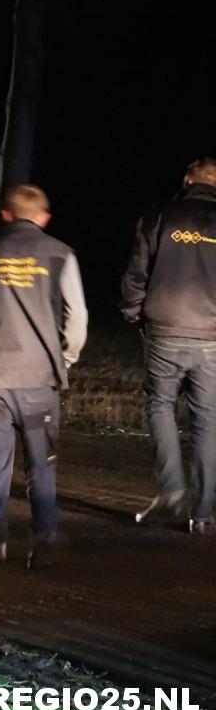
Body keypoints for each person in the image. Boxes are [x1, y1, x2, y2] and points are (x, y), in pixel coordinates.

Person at [0, 185, 88, 590]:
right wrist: (65, 358)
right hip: (39, 381)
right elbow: (78, 316)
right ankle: (44, 539)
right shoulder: (60, 254)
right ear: (45, 217)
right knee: (41, 464)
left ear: (6, 215)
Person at [121, 157, 216, 535]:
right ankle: (204, 513)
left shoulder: (159, 215)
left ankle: (173, 490)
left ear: (187, 179)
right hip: (211, 334)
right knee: (208, 419)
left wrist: (133, 313)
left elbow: (137, 272)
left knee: (160, 406)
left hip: (165, 328)